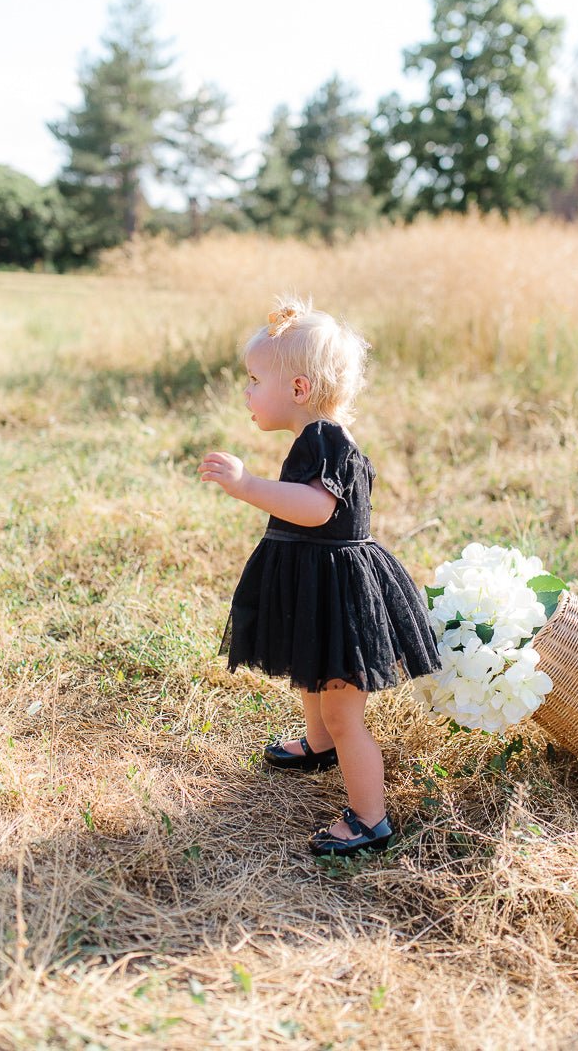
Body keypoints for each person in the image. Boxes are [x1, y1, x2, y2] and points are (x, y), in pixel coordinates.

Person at [198, 297, 439, 857]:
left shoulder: (326, 441)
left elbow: (316, 508)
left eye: (256, 380)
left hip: (341, 594)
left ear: (299, 389)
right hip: (317, 584)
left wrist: (247, 484)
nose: (247, 391)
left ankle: (369, 819)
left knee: (341, 705)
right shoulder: (313, 438)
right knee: (312, 671)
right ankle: (318, 743)